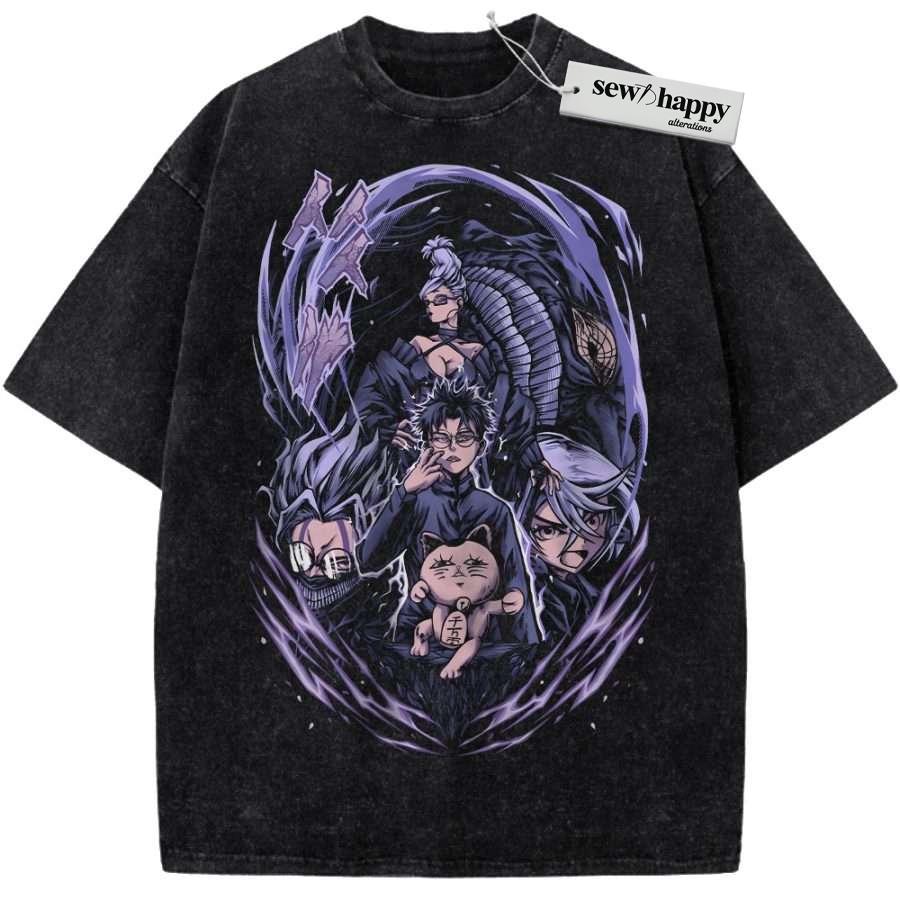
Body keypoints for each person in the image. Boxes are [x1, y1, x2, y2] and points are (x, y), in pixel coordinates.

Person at [355, 377, 541, 645]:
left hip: (483, 637)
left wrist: (529, 651)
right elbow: (368, 560)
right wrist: (404, 491)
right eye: (442, 438)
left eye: (464, 437)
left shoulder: (494, 510)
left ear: (480, 446)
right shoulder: (414, 502)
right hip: (420, 635)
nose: (453, 447)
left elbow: (515, 583)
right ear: (428, 444)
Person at [517, 433, 639, 640]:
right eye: (549, 530)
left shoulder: (587, 594)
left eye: (591, 521)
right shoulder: (534, 595)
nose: (578, 543)